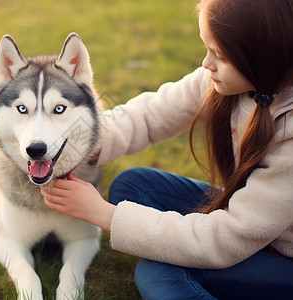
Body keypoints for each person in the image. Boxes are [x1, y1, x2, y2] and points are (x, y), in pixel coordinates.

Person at [41, 0, 293, 299]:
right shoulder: (225, 81)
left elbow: (226, 238)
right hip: (251, 222)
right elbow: (151, 115)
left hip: (282, 256)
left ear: (263, 56)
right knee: (133, 184)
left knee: (158, 272)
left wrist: (105, 215)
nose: (206, 64)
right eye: (207, 48)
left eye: (220, 55)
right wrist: (70, 145)